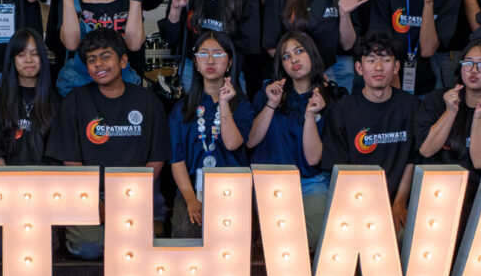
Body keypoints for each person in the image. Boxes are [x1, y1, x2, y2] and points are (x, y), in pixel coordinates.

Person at [47, 28, 170, 259]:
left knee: (146, 243)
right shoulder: (75, 101)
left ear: (123, 61)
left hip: (137, 194)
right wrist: (98, 204)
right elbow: (71, 162)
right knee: (88, 246)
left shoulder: (148, 102)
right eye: (91, 60)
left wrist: (127, 197)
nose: (98, 64)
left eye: (105, 56)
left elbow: (157, 159)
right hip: (91, 196)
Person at [315, 31, 422, 229]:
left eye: (386, 60)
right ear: (359, 68)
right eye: (371, 60)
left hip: (398, 202)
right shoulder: (342, 111)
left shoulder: (412, 106)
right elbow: (339, 170)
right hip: (356, 203)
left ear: (397, 66)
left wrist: (399, 203)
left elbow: (413, 160)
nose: (378, 67)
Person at [247, 29, 334, 244]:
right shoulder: (269, 92)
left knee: (313, 239)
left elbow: (313, 158)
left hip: (311, 181)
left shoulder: (329, 99)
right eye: (286, 56)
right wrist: (271, 105)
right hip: (271, 180)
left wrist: (310, 115)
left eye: (299, 51)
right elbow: (250, 141)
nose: (293, 59)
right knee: (281, 242)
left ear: (312, 55)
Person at [168, 32, 254, 239]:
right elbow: (177, 159)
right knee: (184, 234)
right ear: (196, 63)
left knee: (230, 242)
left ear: (229, 63)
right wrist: (189, 198)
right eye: (203, 54)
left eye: (218, 54)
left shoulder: (241, 106)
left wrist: (224, 103)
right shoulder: (181, 109)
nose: (209, 60)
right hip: (192, 185)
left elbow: (233, 144)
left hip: (231, 186)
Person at [415, 40, 481, 182]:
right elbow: (426, 150)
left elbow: (480, 162)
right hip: (436, 185)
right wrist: (450, 112)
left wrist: (479, 118)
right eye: (468, 63)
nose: (474, 70)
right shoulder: (438, 99)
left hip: (478, 191)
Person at [0, 30, 58, 167]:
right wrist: (6, 177)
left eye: (35, 54)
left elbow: (58, 153)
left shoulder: (56, 102)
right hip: (5, 182)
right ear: (12, 59)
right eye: (21, 54)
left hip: (45, 182)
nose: (28, 59)